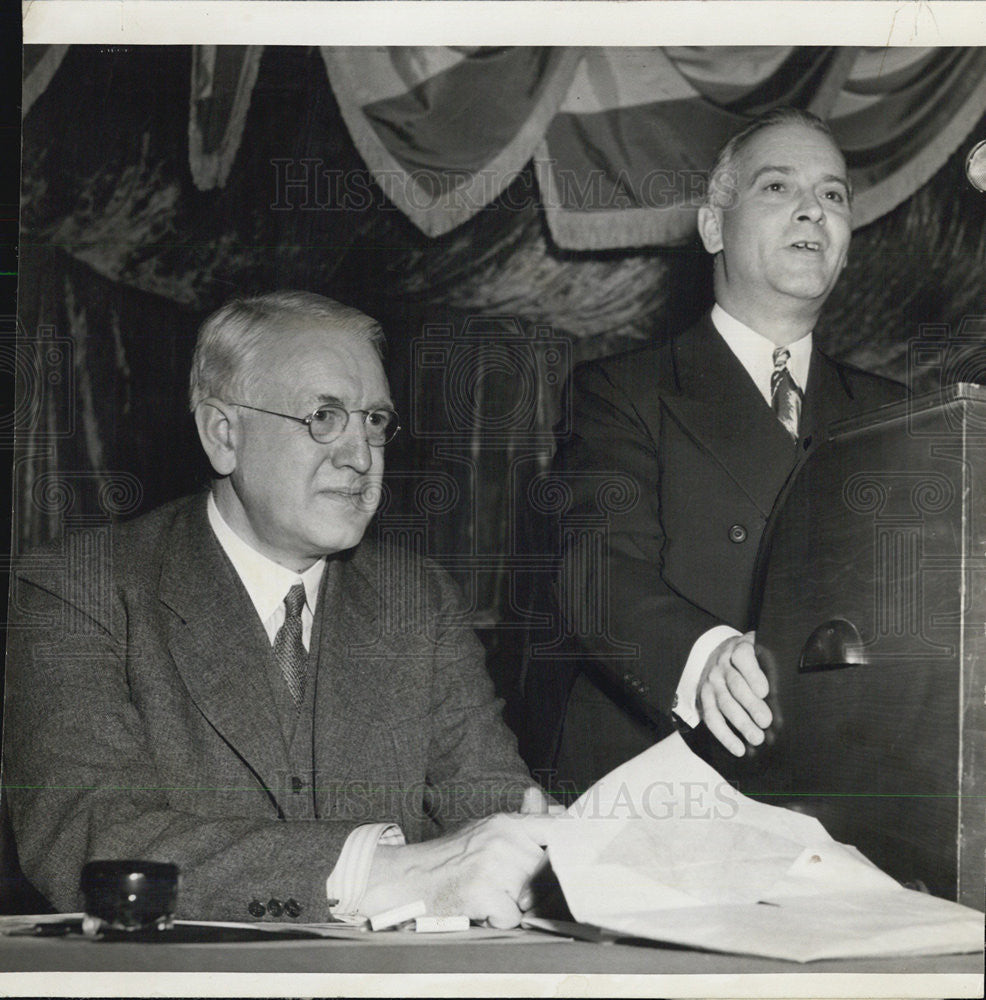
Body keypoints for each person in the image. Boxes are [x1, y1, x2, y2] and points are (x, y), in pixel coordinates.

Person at [4, 291, 559, 926]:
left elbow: (491, 804)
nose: (359, 456)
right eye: (324, 416)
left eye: (374, 420)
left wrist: (553, 851)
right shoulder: (82, 587)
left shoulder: (418, 599)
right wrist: (374, 873)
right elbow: (91, 836)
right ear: (223, 435)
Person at [527, 108, 907, 793]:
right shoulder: (620, 391)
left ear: (848, 243)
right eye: (776, 188)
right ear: (712, 227)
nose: (811, 213)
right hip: (661, 783)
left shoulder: (898, 412)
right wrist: (702, 659)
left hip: (850, 789)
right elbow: (593, 571)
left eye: (832, 195)